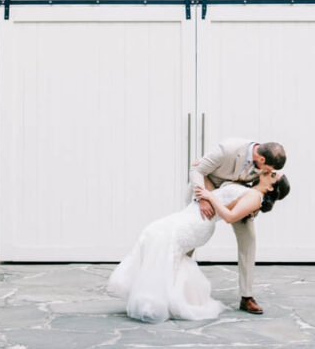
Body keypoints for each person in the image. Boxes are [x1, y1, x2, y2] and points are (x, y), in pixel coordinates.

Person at [107, 172, 288, 323]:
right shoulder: (247, 187)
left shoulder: (256, 197)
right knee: (153, 233)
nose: (267, 171)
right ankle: (159, 295)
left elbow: (230, 216)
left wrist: (210, 196)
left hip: (199, 222)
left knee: (160, 237)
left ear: (271, 187)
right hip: (190, 214)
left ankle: (161, 300)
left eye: (272, 175)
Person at [189, 138, 286, 314]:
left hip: (235, 196)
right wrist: (203, 198)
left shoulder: (264, 166)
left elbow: (262, 188)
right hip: (206, 187)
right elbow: (197, 169)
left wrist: (253, 207)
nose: (269, 172)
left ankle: (246, 297)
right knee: (191, 236)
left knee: (249, 239)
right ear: (262, 160)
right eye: (269, 169)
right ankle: (176, 281)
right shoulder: (228, 149)